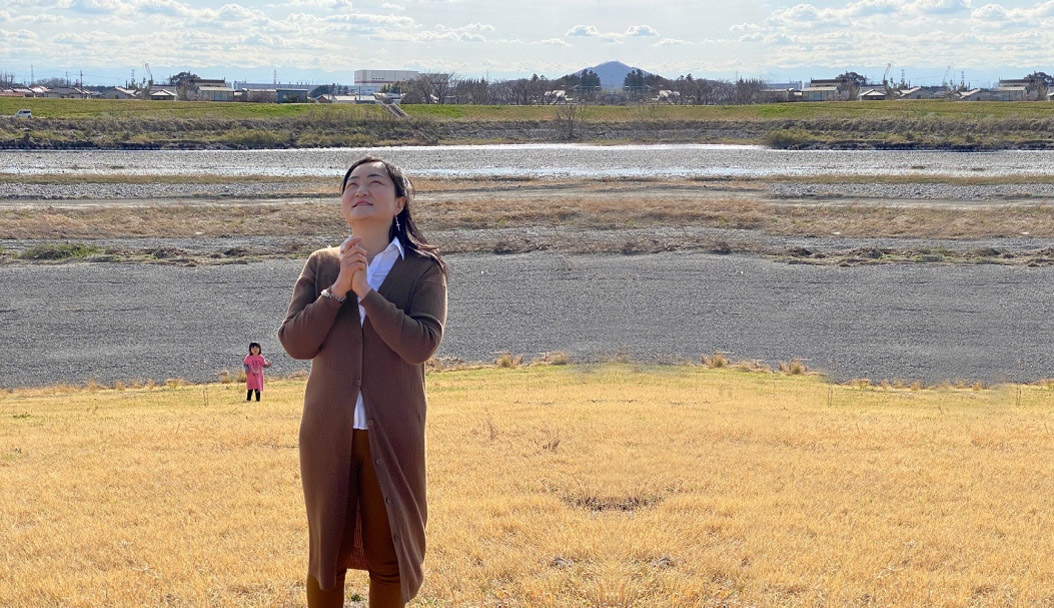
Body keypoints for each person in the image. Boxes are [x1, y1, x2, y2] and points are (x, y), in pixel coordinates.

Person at [278, 156, 447, 608]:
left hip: (393, 431)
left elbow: (421, 345)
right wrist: (338, 290)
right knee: (326, 557)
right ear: (343, 203)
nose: (361, 190)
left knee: (390, 556)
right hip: (325, 432)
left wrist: (367, 293)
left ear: (399, 203)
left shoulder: (423, 268)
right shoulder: (322, 264)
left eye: (375, 182)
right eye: (352, 184)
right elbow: (295, 342)